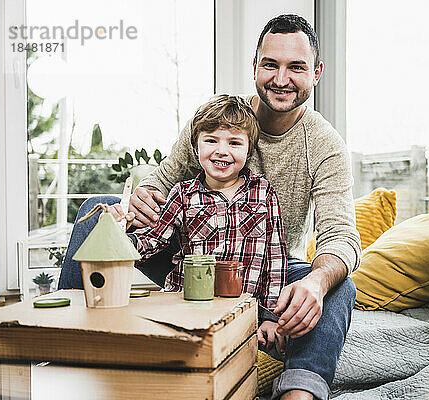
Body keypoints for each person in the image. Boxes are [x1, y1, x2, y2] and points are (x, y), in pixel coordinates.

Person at [59, 14, 360, 400]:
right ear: (255, 67)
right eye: (271, 64)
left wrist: (316, 283)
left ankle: (300, 389)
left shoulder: (325, 144)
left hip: (266, 265)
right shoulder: (219, 119)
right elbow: (163, 179)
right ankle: (64, 347)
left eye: (296, 68)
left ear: (316, 73)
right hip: (190, 255)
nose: (281, 78)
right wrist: (141, 196)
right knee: (98, 208)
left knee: (338, 285)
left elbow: (342, 235)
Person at [105, 95, 287, 346]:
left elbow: (275, 260)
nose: (221, 151)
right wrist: (118, 234)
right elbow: (153, 241)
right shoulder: (183, 193)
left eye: (234, 143)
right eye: (211, 140)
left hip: (242, 310)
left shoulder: (264, 193)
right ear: (196, 147)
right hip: (185, 308)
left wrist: (270, 317)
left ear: (249, 149)